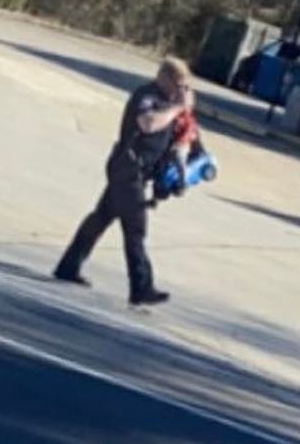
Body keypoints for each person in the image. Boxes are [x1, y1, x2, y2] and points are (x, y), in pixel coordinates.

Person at [53, 57, 194, 306]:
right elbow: (148, 123)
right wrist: (176, 109)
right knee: (135, 227)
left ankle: (68, 266)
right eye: (178, 85)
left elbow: (183, 136)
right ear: (164, 77)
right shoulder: (148, 96)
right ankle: (142, 287)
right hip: (127, 168)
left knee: (101, 217)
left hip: (139, 172)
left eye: (185, 87)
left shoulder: (170, 103)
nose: (180, 91)